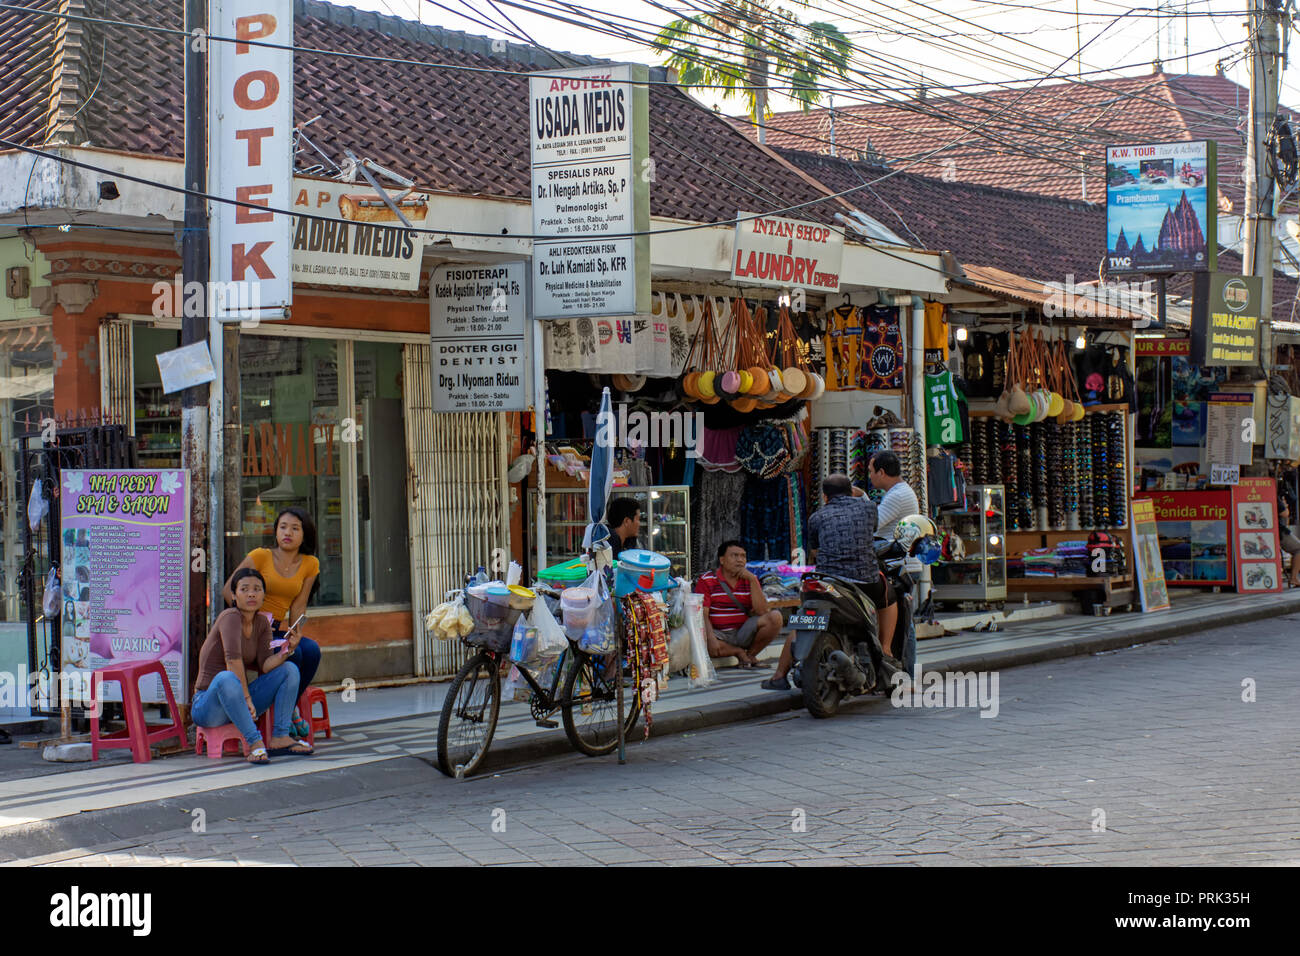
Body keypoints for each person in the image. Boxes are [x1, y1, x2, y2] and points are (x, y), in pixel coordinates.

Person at [192, 568, 312, 762]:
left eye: (257, 589)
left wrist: (287, 650)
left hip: (239, 704)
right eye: (244, 589)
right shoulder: (229, 617)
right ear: (234, 595)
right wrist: (246, 698)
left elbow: (266, 665)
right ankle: (255, 743)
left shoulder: (262, 622)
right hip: (208, 705)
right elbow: (232, 660)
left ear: (264, 595)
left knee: (290, 669)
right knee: (226, 677)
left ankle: (281, 736)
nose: (251, 594)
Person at [223, 507, 321, 738]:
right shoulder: (260, 556)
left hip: (277, 629)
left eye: (295, 528)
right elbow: (228, 590)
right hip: (253, 629)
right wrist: (248, 615)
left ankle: (290, 707)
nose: (288, 532)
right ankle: (283, 720)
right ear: (276, 531)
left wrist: (295, 636)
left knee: (310, 651)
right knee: (292, 656)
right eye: (283, 527)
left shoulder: (310, 564)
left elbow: (298, 605)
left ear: (304, 534)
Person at [811, 472, 901, 658]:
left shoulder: (816, 517)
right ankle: (886, 648)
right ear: (851, 492)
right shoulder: (869, 509)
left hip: (827, 581)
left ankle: (779, 673)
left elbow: (815, 551)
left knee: (807, 619)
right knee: (889, 597)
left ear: (825, 497)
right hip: (863, 581)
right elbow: (874, 529)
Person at [694, 540, 784, 669]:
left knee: (775, 617)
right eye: (734, 556)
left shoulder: (749, 579)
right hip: (718, 633)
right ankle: (739, 653)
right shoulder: (707, 580)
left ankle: (751, 655)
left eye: (743, 556)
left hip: (742, 632)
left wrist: (753, 580)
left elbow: (762, 612)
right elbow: (703, 614)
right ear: (722, 560)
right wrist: (710, 637)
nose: (740, 560)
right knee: (708, 645)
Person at [869, 450, 920, 539]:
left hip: (889, 551)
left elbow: (869, 525)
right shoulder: (900, 491)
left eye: (871, 471)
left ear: (881, 473)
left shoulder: (897, 496)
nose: (870, 476)